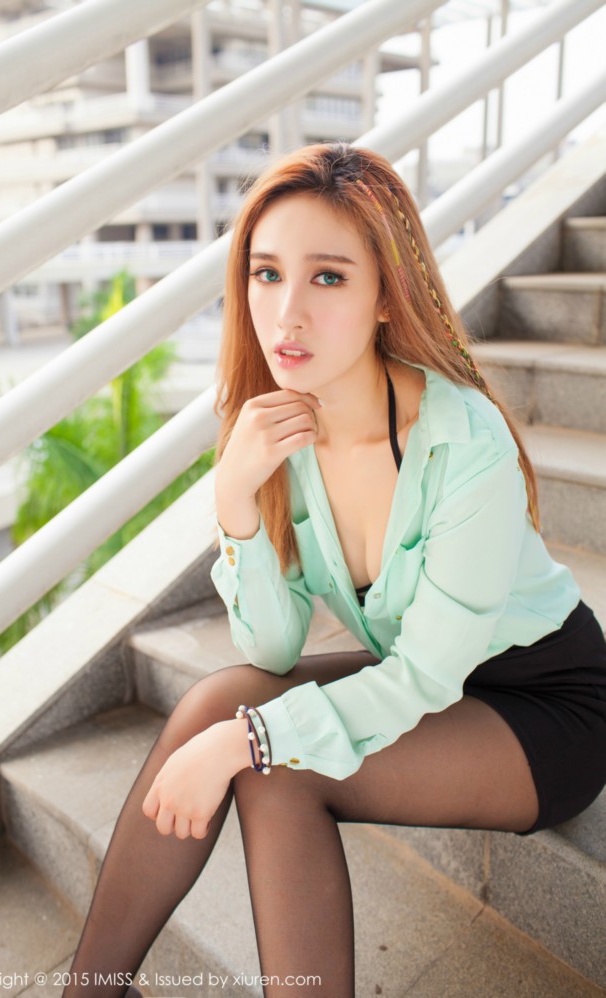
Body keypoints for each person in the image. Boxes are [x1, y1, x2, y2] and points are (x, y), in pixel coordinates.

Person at [62, 141, 606, 998]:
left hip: (541, 704)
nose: (286, 314)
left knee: (272, 761)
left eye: (326, 277)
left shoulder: (461, 441)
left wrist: (244, 742)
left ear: (385, 293)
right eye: (266, 274)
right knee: (215, 702)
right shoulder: (276, 432)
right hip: (433, 684)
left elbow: (424, 675)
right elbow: (271, 650)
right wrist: (235, 500)